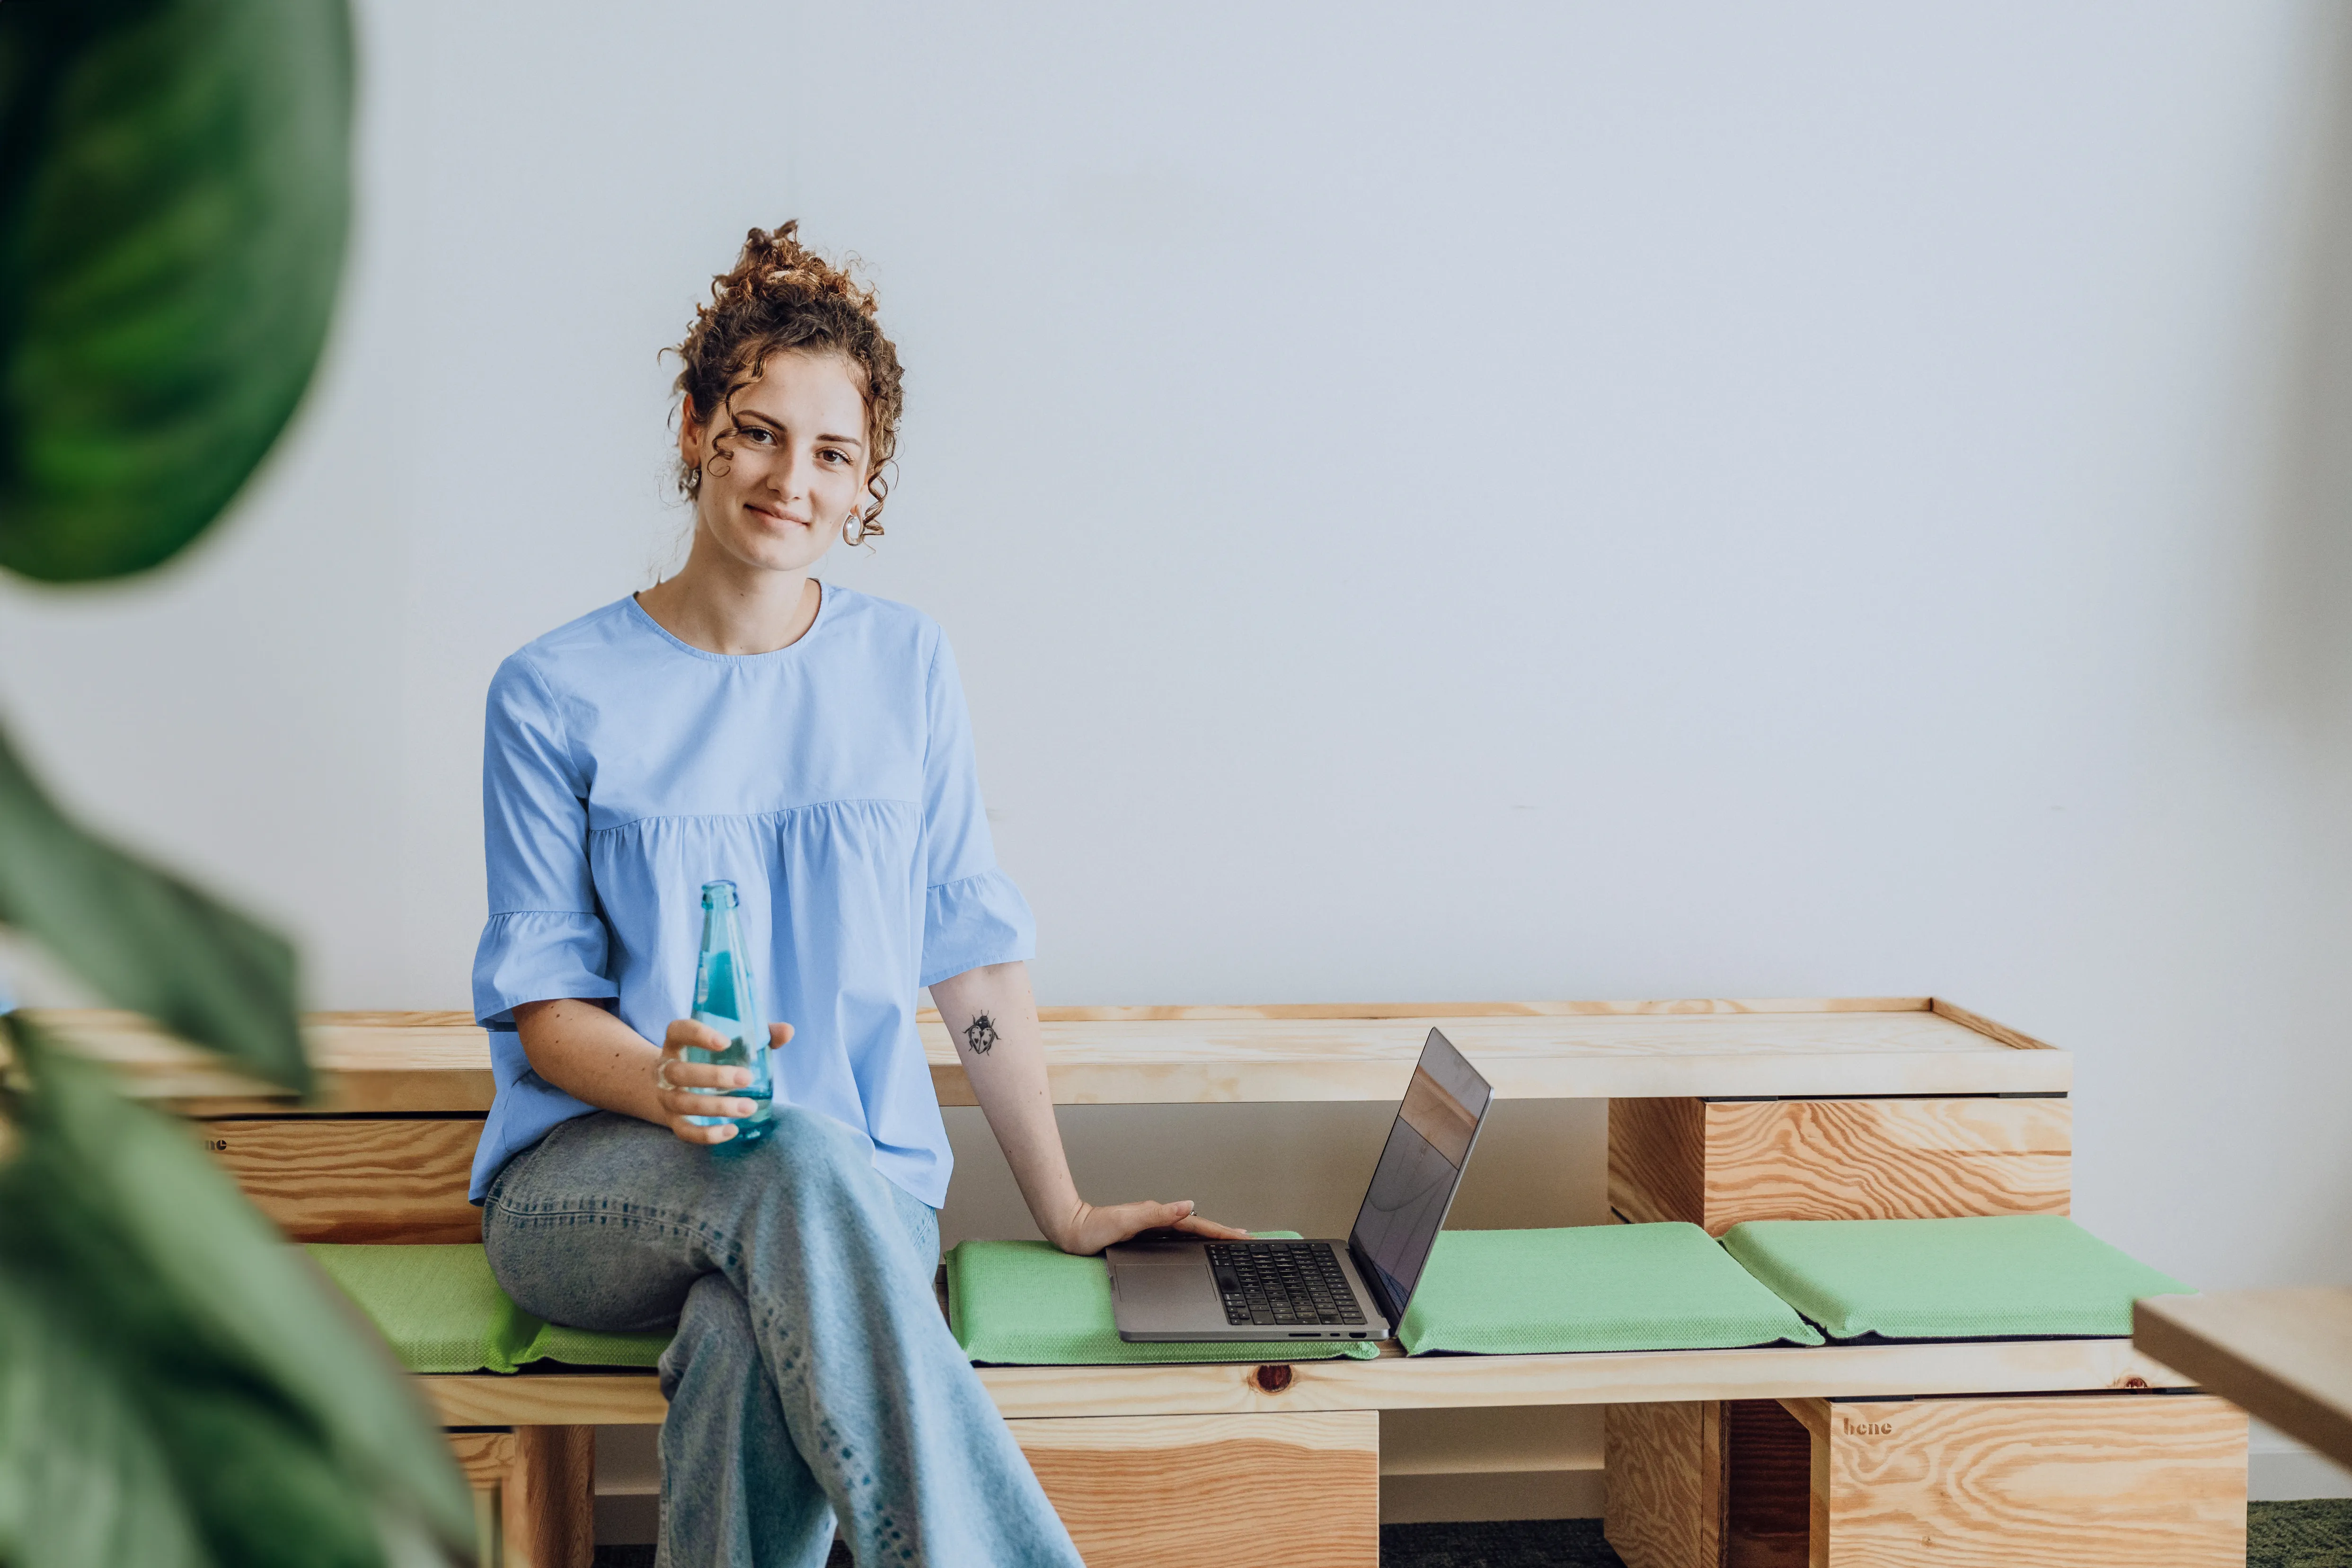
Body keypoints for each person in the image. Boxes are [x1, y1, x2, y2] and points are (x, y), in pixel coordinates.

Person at [469, 222, 1243, 1567]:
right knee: (792, 1159)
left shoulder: (907, 668)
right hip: (592, 1190)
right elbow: (545, 1013)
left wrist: (1060, 1207)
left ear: (866, 480)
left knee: (747, 1333)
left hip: (852, 1192)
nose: (792, 480)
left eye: (833, 455)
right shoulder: (554, 691)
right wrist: (670, 1084)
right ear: (700, 425)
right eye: (762, 433)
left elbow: (974, 956)